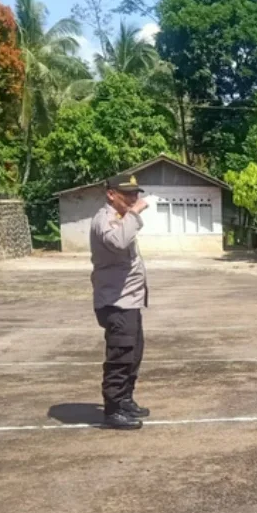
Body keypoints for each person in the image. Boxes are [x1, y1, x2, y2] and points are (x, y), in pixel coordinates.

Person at [90, 173, 152, 430]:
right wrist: (135, 213)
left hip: (129, 301)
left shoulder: (119, 218)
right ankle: (113, 410)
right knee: (120, 355)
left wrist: (129, 215)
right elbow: (118, 242)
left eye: (136, 194)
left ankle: (125, 399)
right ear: (111, 194)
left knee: (133, 353)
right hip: (116, 302)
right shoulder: (105, 220)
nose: (133, 198)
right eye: (127, 194)